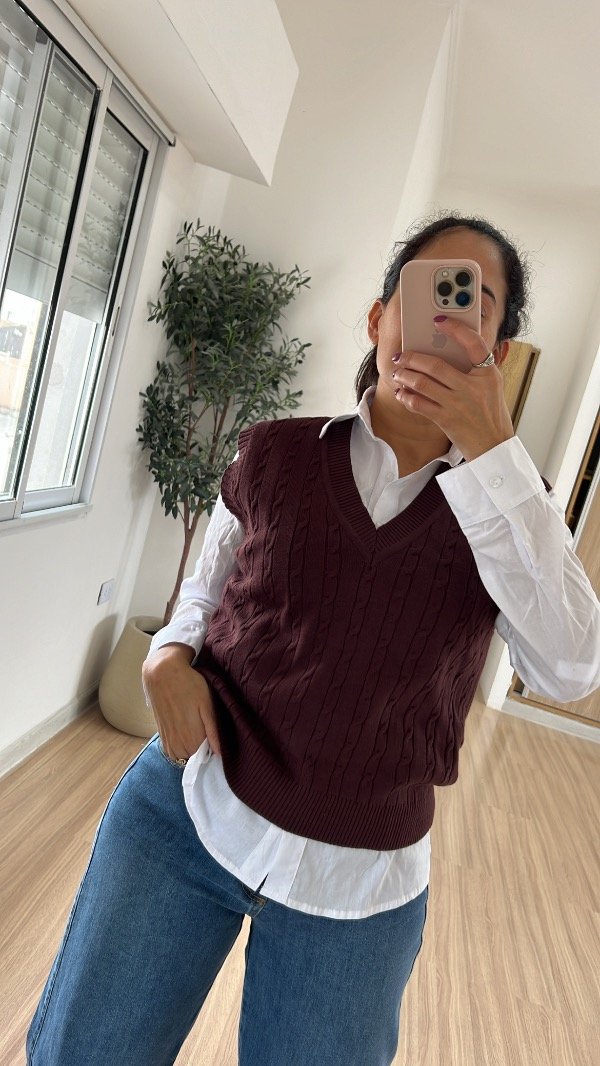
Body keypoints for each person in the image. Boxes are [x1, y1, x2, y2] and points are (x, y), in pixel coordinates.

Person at [26, 214, 600, 1066]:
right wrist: (167, 652)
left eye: (471, 304)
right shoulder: (274, 452)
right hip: (186, 808)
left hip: (361, 888)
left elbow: (569, 668)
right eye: (427, 292)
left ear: (500, 354)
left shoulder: (518, 513)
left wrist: (498, 455)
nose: (442, 321)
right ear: (379, 318)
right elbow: (209, 587)